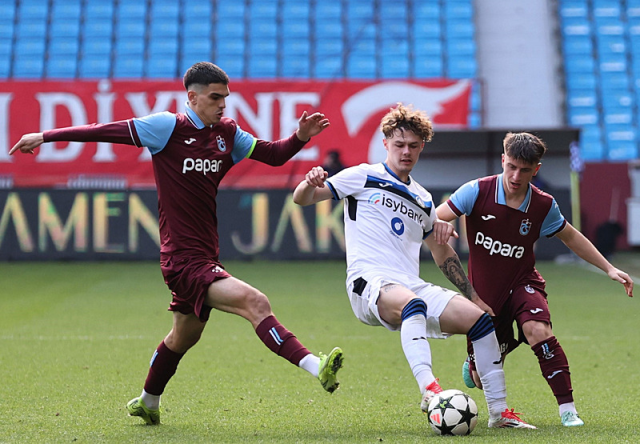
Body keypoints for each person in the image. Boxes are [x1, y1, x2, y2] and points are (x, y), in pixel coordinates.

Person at [10, 62, 344, 425]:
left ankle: (147, 402)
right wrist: (45, 136)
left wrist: (301, 137)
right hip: (181, 259)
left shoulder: (227, 134)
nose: (222, 105)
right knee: (255, 302)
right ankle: (316, 366)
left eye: (226, 98)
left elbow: (274, 155)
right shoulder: (166, 127)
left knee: (182, 337)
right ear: (192, 96)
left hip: (205, 253)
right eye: (215, 98)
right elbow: (102, 131)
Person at [293, 104, 535, 429]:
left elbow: (441, 252)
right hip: (368, 281)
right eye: (399, 144)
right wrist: (310, 182)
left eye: (413, 145)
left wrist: (473, 296)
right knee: (413, 304)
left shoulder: (423, 199)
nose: (406, 151)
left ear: (422, 146)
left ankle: (499, 413)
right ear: (386, 143)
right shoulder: (363, 175)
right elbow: (302, 198)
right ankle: (429, 390)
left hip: (408, 283)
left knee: (480, 322)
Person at [435, 131, 634, 427]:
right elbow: (434, 219)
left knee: (538, 331)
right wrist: (440, 225)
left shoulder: (542, 205)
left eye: (525, 170)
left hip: (523, 282)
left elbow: (571, 236)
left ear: (536, 169)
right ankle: (473, 364)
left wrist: (608, 268)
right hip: (484, 297)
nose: (516, 175)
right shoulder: (475, 191)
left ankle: (568, 410)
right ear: (503, 160)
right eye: (511, 166)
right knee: (478, 378)